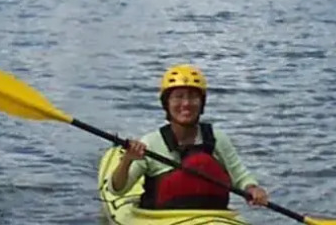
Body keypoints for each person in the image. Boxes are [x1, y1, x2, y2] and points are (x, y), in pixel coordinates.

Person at [109, 64, 270, 212]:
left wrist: (252, 189)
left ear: (201, 103)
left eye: (193, 97)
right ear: (167, 104)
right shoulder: (151, 143)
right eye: (178, 97)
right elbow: (117, 190)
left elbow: (240, 176)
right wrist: (127, 160)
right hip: (162, 219)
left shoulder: (216, 139)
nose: (186, 103)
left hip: (214, 217)